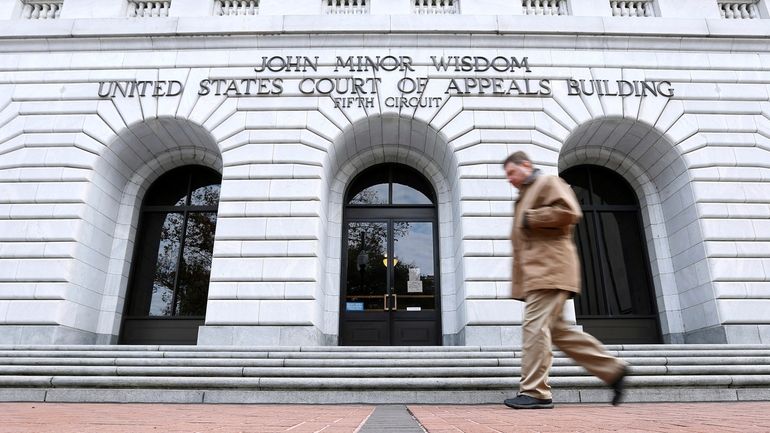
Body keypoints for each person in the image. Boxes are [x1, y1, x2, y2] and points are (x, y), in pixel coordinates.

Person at [502, 151, 628, 409]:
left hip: (550, 270)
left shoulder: (547, 183)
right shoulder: (525, 195)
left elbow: (569, 211)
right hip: (541, 273)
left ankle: (536, 392)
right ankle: (613, 369)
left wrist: (531, 218)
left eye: (512, 173)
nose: (510, 179)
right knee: (560, 333)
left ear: (526, 165)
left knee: (534, 328)